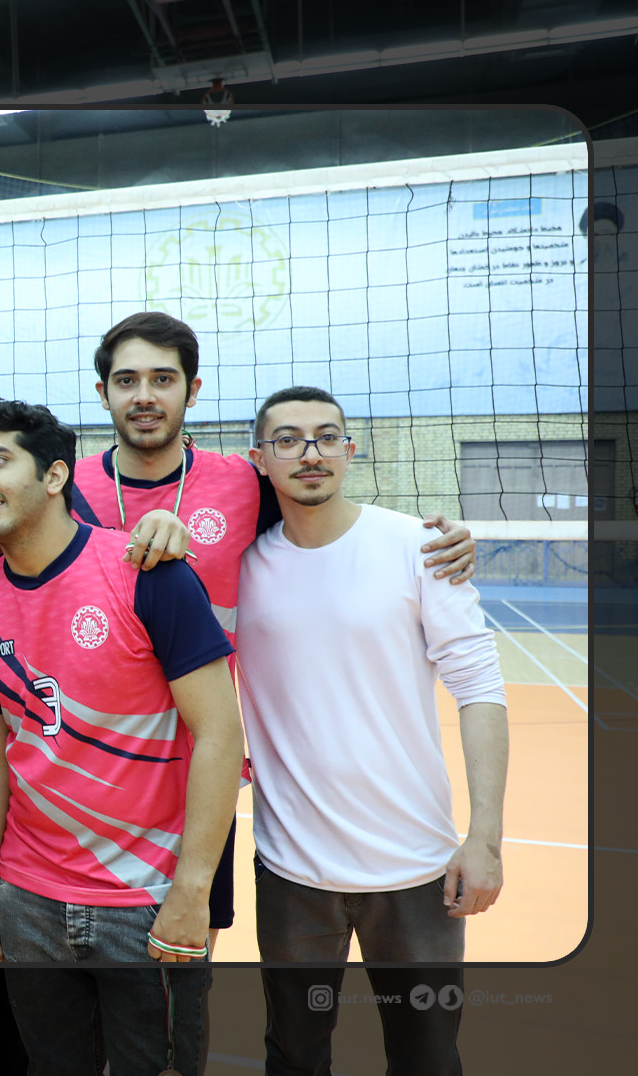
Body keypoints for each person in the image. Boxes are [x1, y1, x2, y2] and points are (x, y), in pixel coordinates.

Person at [70, 310, 479, 955]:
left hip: (203, 760)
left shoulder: (242, 480)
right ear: (103, 393)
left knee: (186, 956)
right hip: (89, 757)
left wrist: (434, 539)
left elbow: (319, 514)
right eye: (127, 380)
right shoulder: (64, 487)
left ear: (192, 390)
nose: (144, 395)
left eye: (163, 379)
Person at [0, 400, 243, 1076]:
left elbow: (220, 733)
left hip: (148, 899)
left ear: (55, 476)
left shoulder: (148, 572)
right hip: (27, 902)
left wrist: (192, 890)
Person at [239, 386, 508, 1076]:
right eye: (288, 439)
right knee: (293, 1057)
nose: (310, 453)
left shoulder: (419, 547)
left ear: (350, 450)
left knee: (427, 1058)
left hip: (414, 868)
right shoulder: (239, 568)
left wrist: (483, 838)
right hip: (292, 869)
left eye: (327, 437)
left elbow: (480, 689)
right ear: (259, 458)